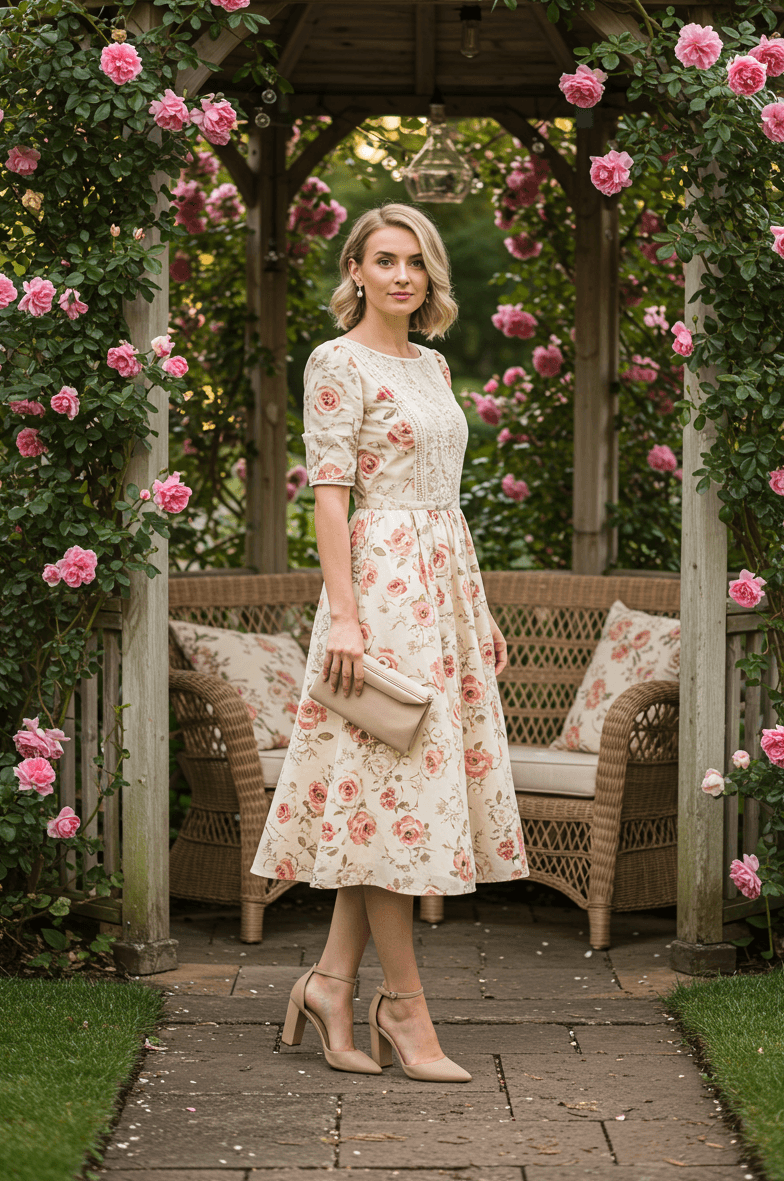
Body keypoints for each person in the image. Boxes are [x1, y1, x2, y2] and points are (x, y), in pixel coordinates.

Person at [251, 201, 529, 1083]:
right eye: (385, 259)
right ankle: (404, 1011)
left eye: (416, 260)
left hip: (443, 588)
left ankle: (332, 985)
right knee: (389, 798)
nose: (402, 274)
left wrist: (475, 605)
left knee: (387, 803)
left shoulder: (436, 367)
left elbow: (447, 498)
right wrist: (343, 615)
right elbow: (329, 494)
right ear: (357, 270)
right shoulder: (336, 361)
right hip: (380, 592)